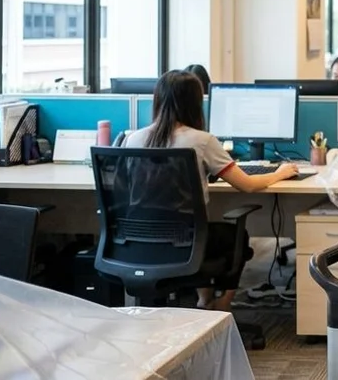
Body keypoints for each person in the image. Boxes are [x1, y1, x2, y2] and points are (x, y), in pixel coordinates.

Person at [123, 70, 298, 312]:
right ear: (194, 103)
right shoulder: (202, 140)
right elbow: (247, 185)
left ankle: (204, 300)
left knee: (200, 233)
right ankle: (220, 306)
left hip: (140, 241)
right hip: (188, 240)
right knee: (235, 236)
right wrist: (281, 173)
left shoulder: (133, 139)